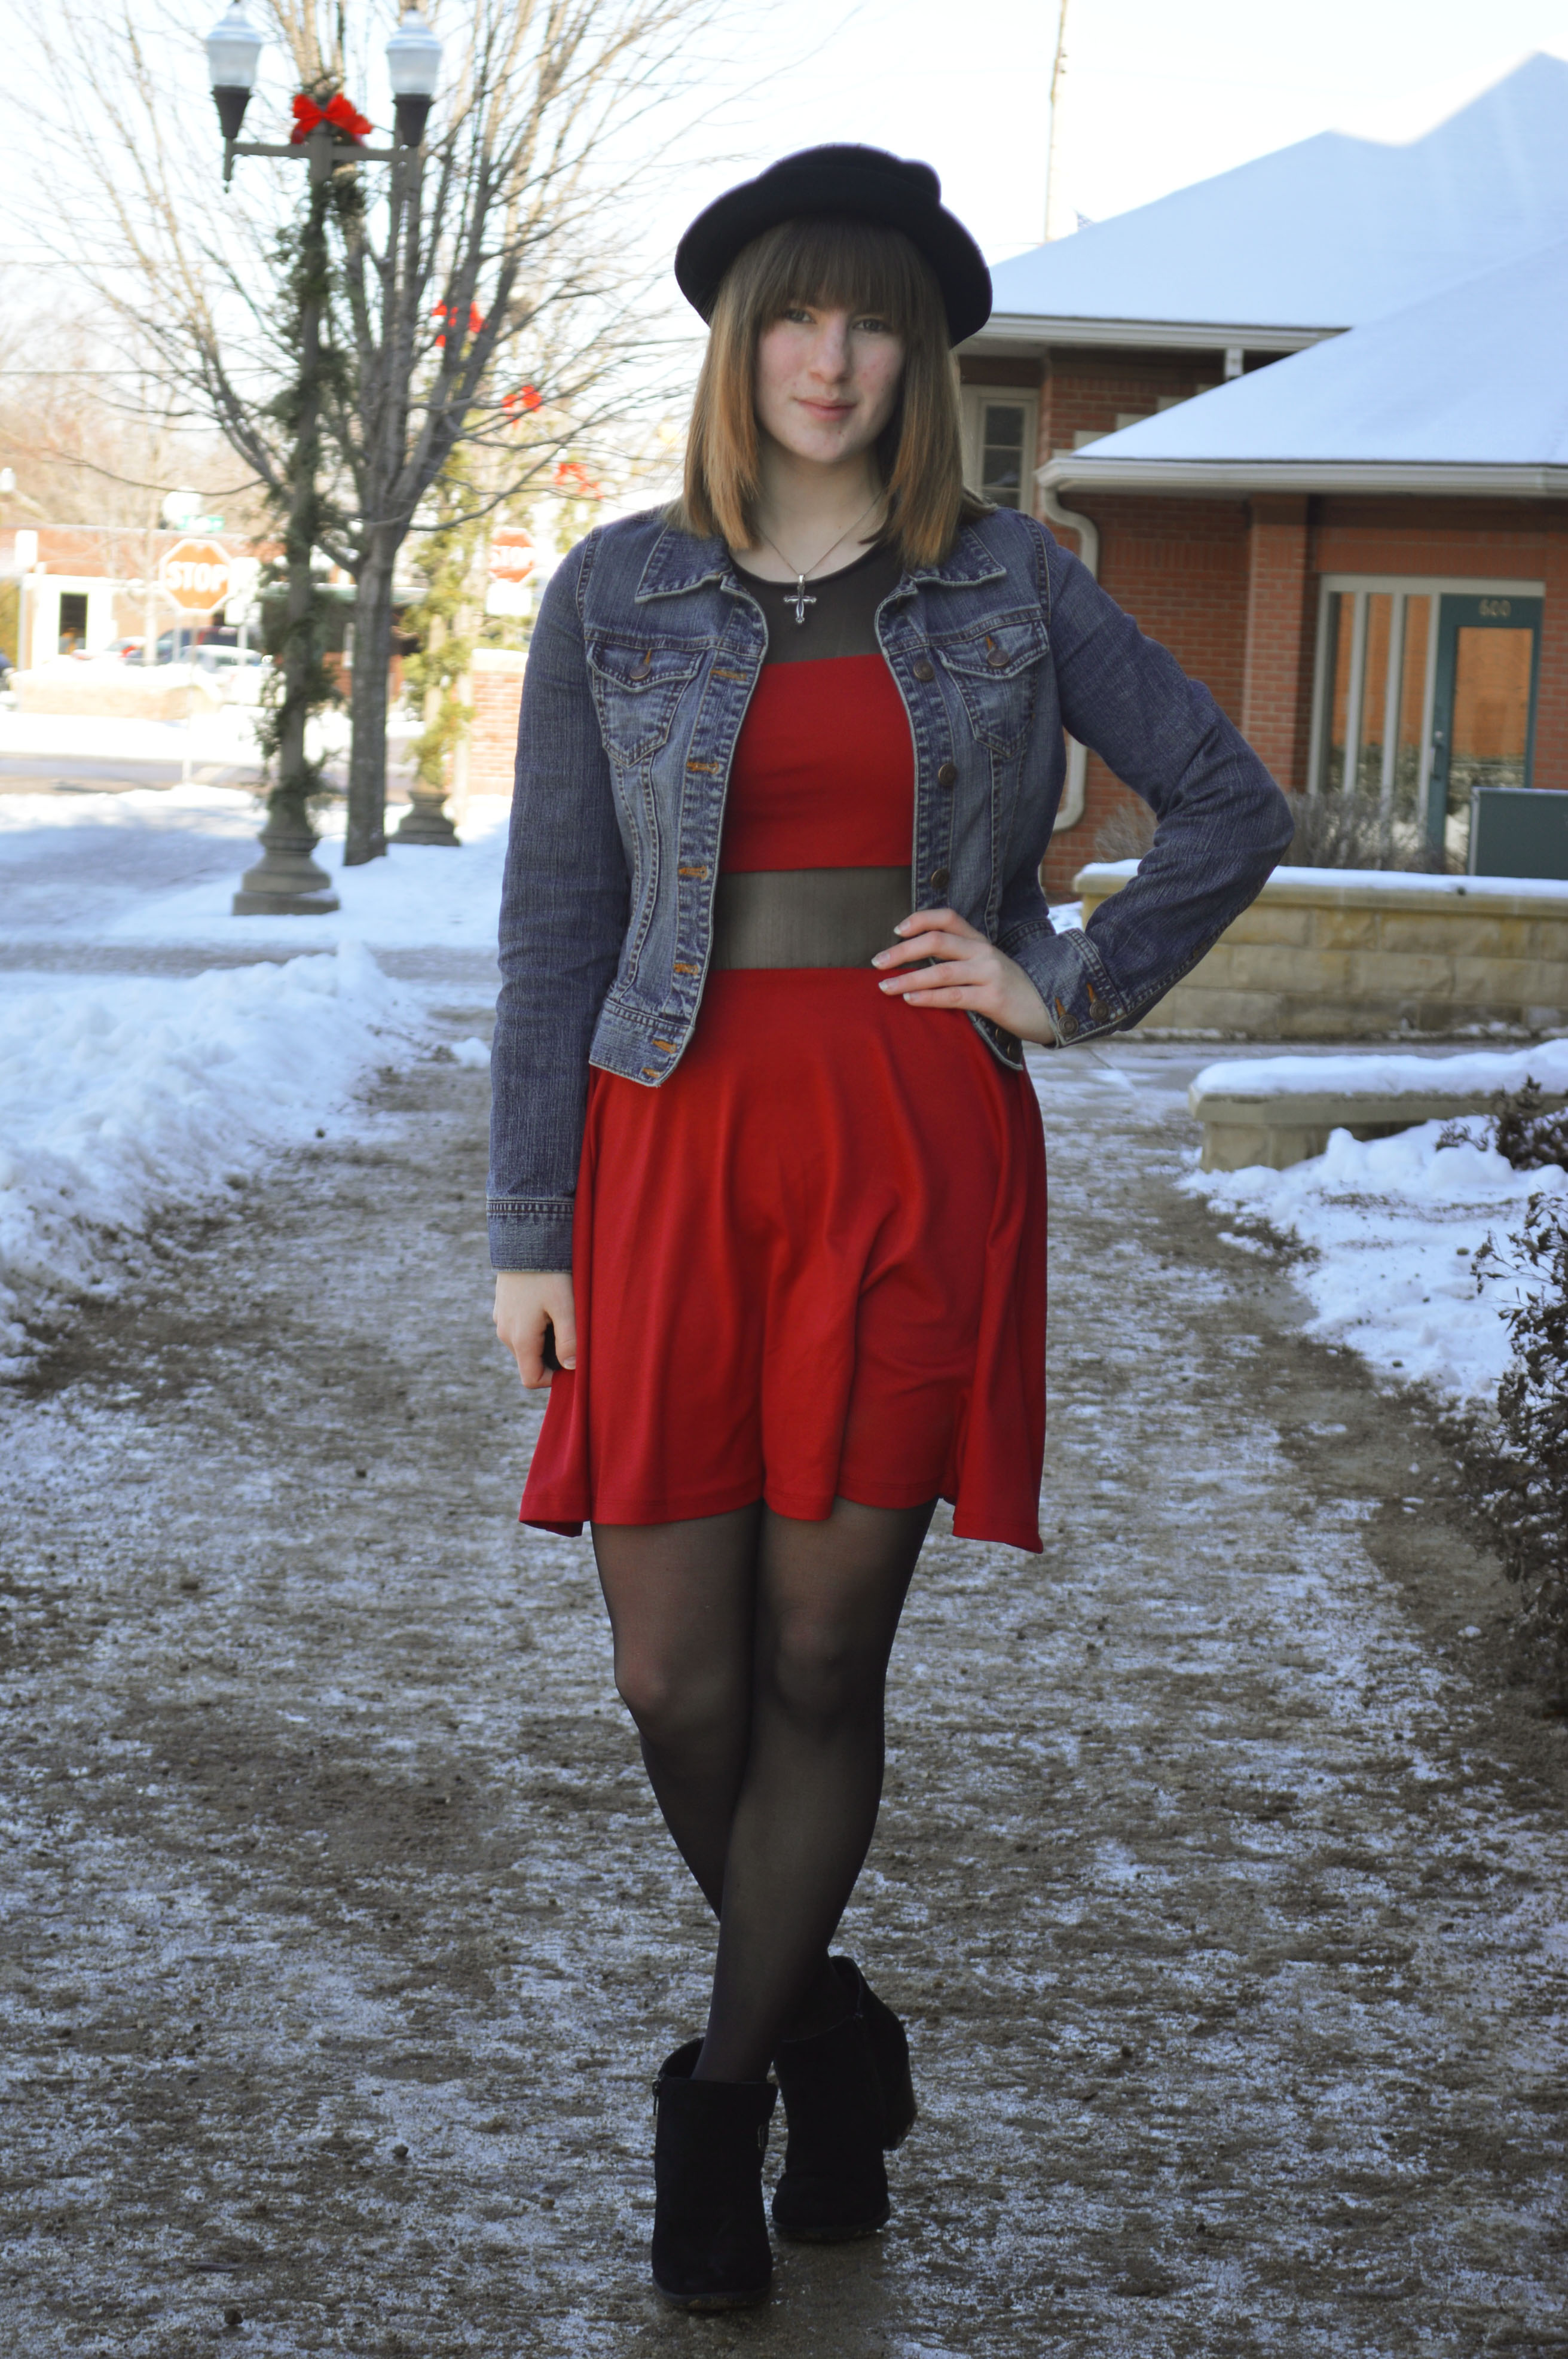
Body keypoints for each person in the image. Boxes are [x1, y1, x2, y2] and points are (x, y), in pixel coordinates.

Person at [489, 144, 1292, 2311]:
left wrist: (1066, 983)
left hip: (907, 1148)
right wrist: (530, 1228)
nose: (829, 359)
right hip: (669, 1153)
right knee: (675, 1674)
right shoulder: (615, 589)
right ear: (737, 343)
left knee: (824, 1657)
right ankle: (834, 2034)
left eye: (870, 323)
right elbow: (557, 925)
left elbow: (1233, 802)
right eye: (793, 315)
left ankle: (722, 2104)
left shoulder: (1009, 580)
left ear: (918, 359)